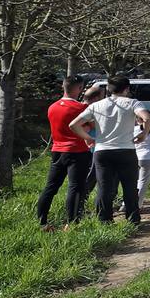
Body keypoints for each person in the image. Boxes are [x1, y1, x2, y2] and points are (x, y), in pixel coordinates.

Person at [69, 75, 150, 224]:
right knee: (129, 186)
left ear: (108, 88)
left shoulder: (96, 105)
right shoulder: (133, 103)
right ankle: (133, 219)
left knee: (104, 187)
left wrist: (88, 138)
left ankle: (104, 220)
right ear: (127, 89)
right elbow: (147, 117)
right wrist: (144, 134)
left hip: (102, 151)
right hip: (126, 150)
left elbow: (74, 125)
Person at [37, 76, 93, 230]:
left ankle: (41, 221)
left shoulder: (52, 107)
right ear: (79, 88)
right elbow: (88, 127)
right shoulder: (81, 108)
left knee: (51, 187)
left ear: (63, 86)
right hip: (77, 151)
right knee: (75, 187)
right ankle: (72, 222)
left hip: (57, 150)